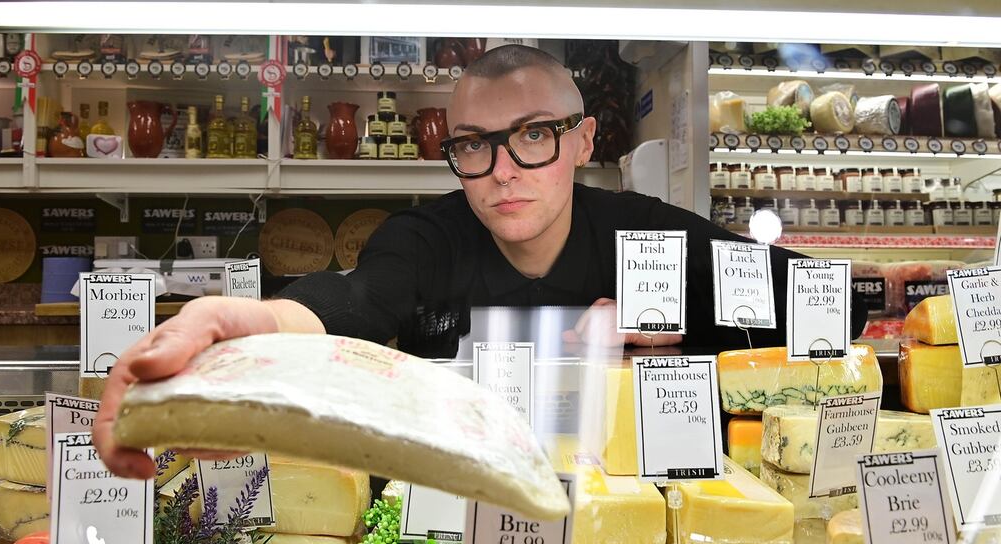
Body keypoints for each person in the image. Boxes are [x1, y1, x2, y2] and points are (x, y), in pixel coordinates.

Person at [93, 44, 868, 479]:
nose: (502, 172)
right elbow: (358, 300)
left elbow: (830, 303)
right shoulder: (427, 239)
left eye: (533, 136)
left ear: (584, 141)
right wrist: (250, 327)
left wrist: (680, 326)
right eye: (472, 146)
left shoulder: (647, 235)